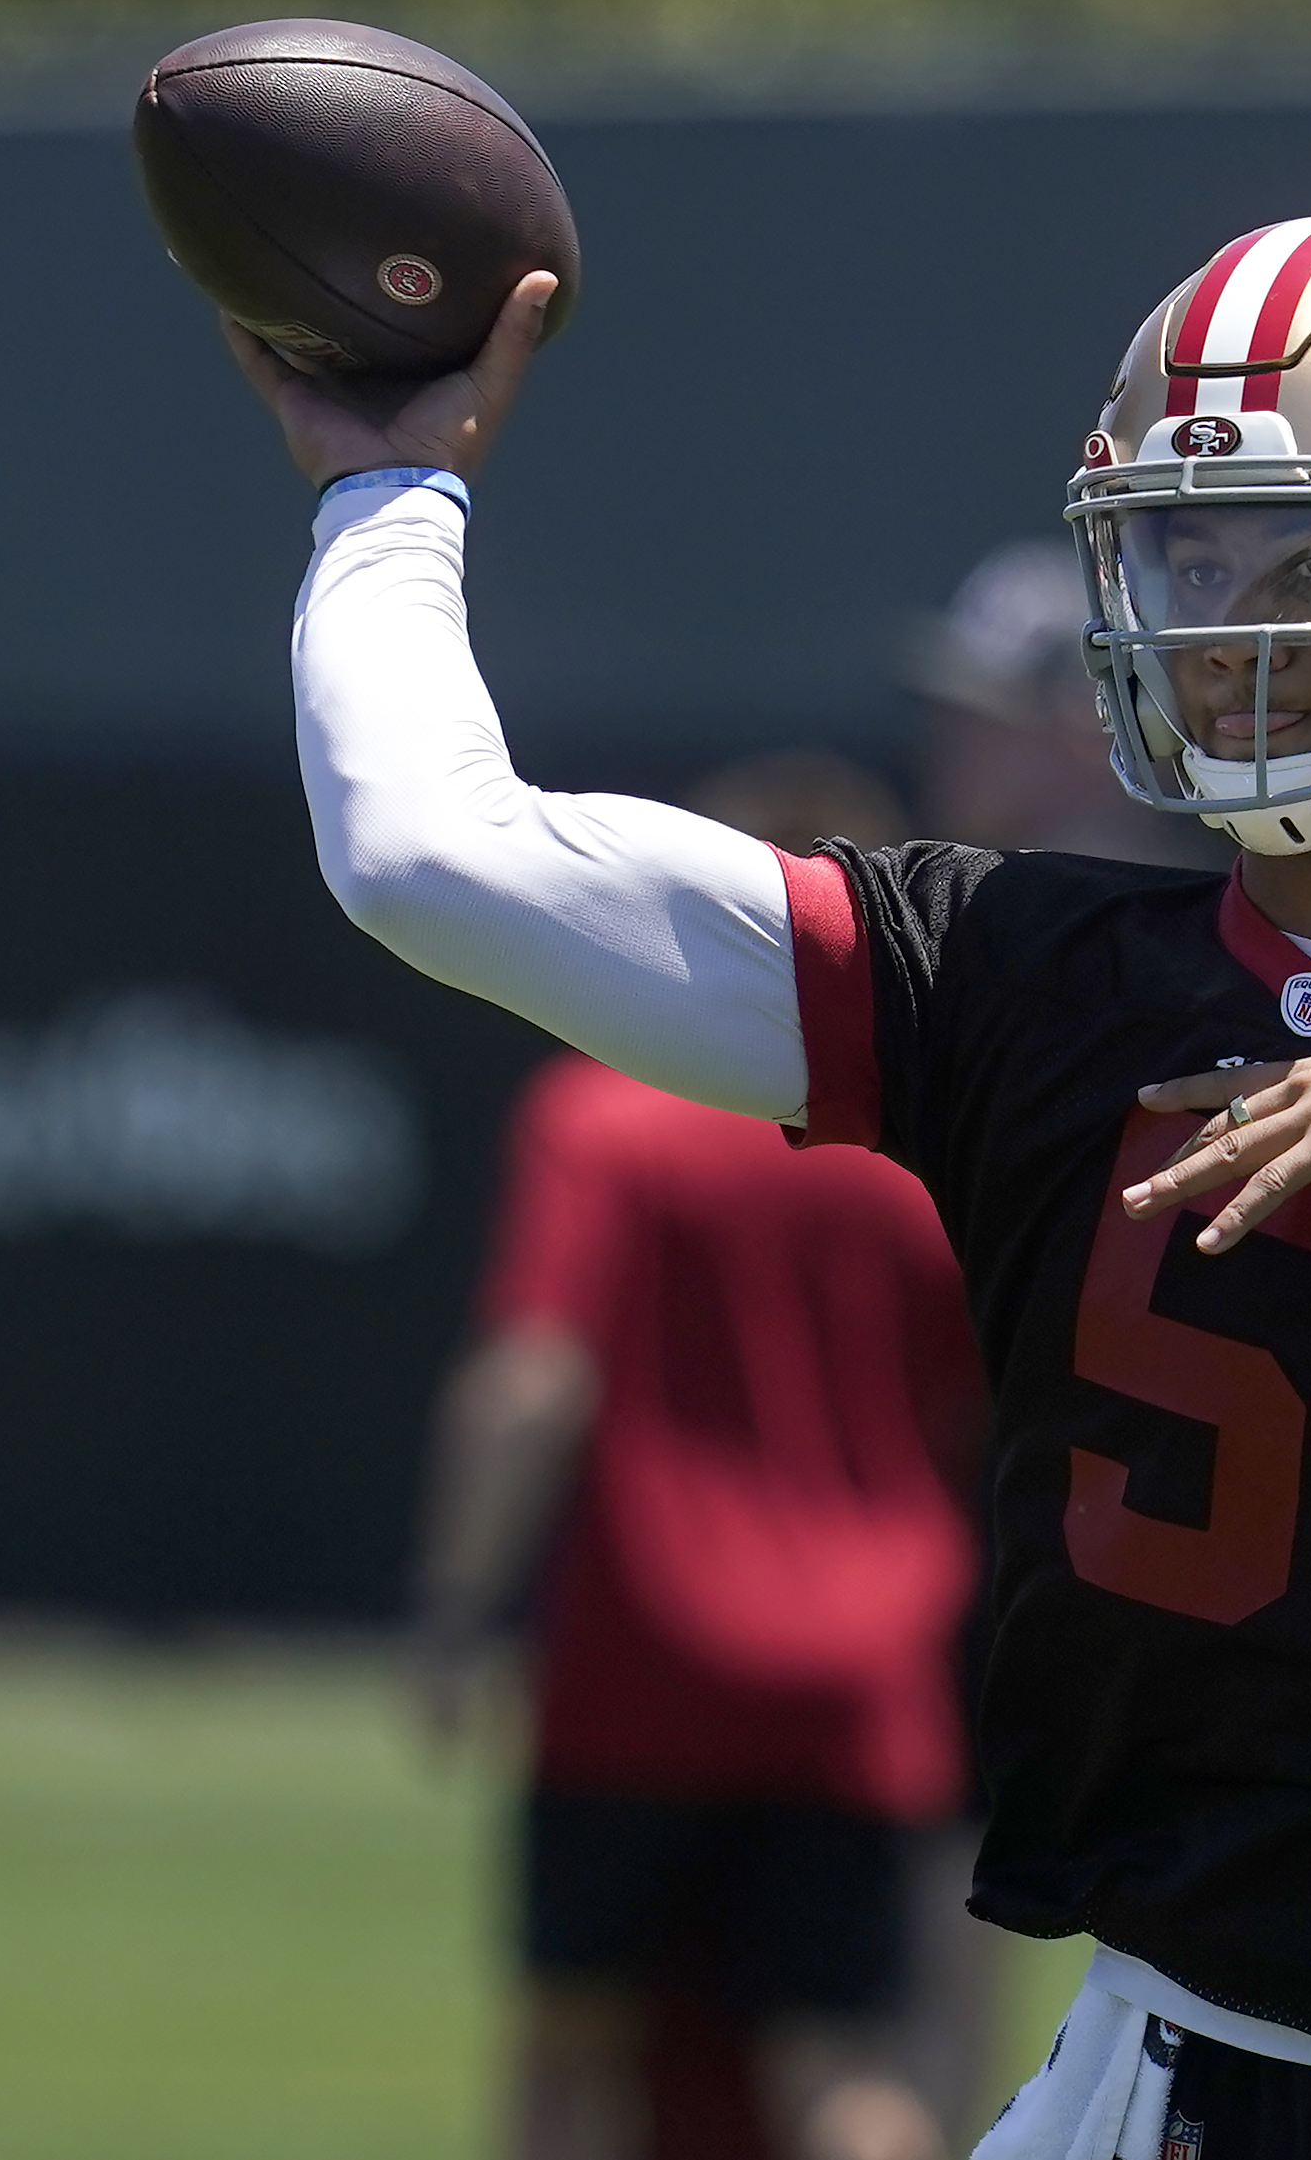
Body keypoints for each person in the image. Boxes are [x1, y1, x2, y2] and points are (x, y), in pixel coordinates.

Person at [230, 213, 1311, 2160]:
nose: (1229, 612)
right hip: (1185, 2046)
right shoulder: (1025, 980)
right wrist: (389, 483)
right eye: (1185, 544)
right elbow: (428, 857)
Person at [411, 750, 989, 2160]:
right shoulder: (921, 1153)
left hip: (635, 1670)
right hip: (862, 1674)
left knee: (567, 2055)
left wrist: (455, 1611)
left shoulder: (603, 1116)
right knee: (841, 2060)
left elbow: (531, 1379)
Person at [902, 539, 1218, 867]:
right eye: (950, 715)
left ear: (1086, 725)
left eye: (986, 722)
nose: (948, 741)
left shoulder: (1172, 906)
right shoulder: (950, 892)